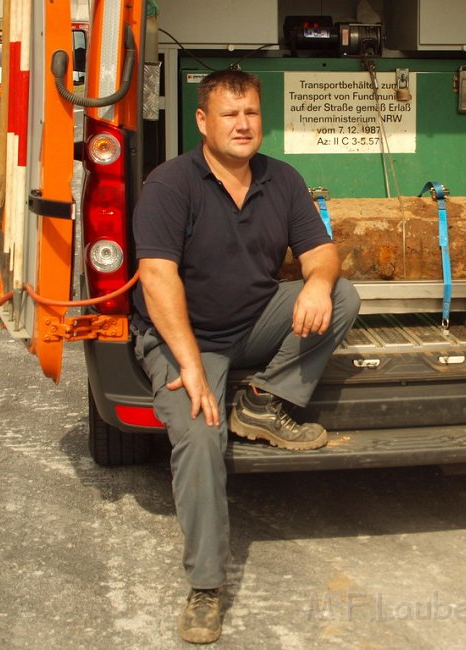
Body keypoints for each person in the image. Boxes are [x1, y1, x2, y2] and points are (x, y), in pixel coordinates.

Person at [131, 69, 361, 644]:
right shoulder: (169, 185)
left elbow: (323, 252)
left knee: (342, 295)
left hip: (252, 321)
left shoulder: (281, 179)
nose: (243, 124)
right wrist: (188, 366)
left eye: (252, 113)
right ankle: (207, 586)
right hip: (186, 336)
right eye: (230, 114)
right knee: (200, 431)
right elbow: (157, 280)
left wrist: (315, 282)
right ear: (203, 121)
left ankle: (265, 401)